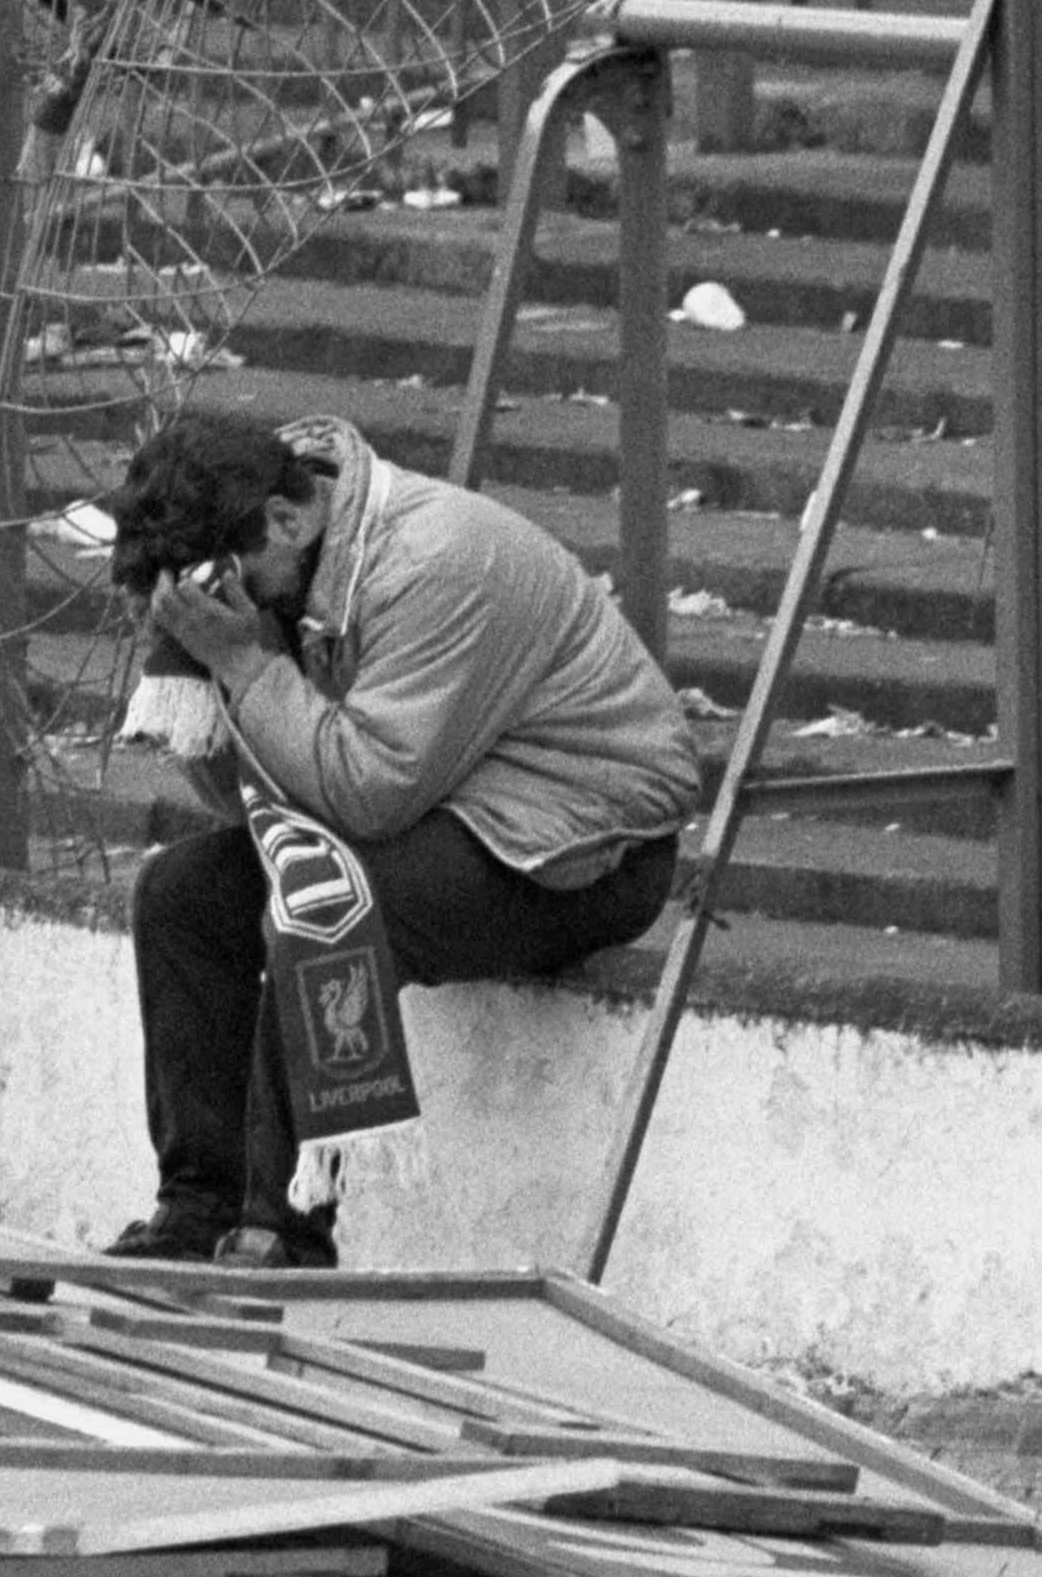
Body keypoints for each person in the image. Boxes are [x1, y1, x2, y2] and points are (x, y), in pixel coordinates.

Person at [99, 410, 701, 1269]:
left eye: (217, 578)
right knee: (182, 895)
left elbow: (365, 796)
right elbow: (260, 807)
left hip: (584, 847)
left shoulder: (436, 562)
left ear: (287, 518)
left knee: (331, 903)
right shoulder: (276, 570)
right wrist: (190, 660)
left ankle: (284, 1234)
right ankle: (198, 1208)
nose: (215, 601)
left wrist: (240, 663)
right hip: (439, 805)